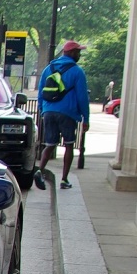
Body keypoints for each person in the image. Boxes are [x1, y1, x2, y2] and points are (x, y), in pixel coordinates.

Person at [34, 40, 90, 190]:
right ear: (71, 53)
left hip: (48, 111)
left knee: (50, 144)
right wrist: (86, 117)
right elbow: (82, 96)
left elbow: (40, 91)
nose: (79, 54)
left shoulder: (48, 69)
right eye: (78, 52)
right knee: (69, 145)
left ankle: (40, 170)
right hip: (68, 112)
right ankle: (64, 180)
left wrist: (42, 109)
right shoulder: (77, 71)